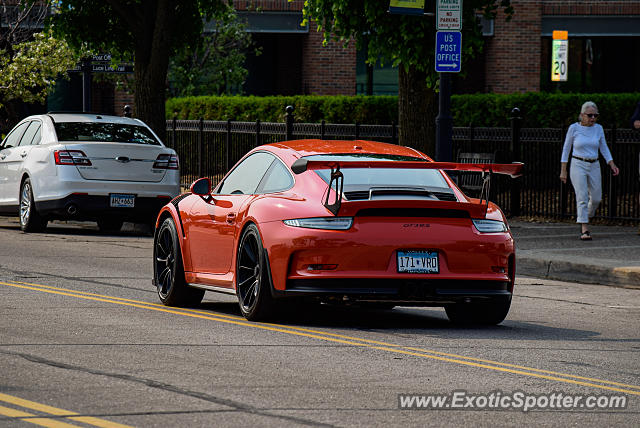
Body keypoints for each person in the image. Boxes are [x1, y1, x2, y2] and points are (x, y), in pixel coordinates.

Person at [559, 101, 619, 240]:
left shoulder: (598, 128)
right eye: (590, 115)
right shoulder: (574, 128)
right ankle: (585, 229)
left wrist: (612, 164)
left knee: (597, 198)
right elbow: (566, 149)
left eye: (595, 116)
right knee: (582, 197)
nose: (593, 118)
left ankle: (585, 215)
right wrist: (563, 170)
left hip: (594, 164)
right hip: (577, 163)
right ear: (582, 115)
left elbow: (603, 147)